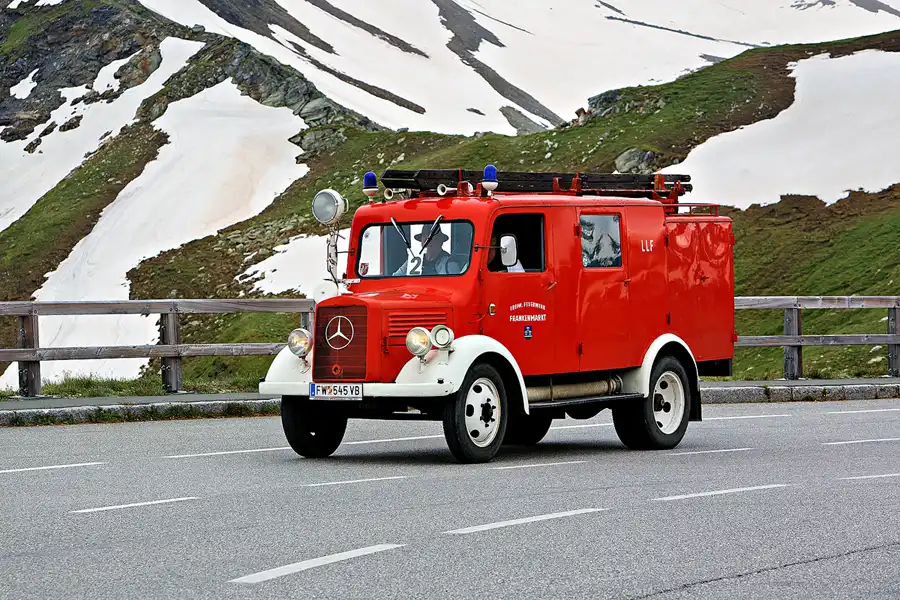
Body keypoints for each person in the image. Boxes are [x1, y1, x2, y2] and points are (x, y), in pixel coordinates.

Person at [392, 227, 457, 276]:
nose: (429, 242)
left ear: (440, 242)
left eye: (434, 239)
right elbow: (396, 277)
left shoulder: (449, 262)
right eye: (426, 239)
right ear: (421, 242)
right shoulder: (414, 260)